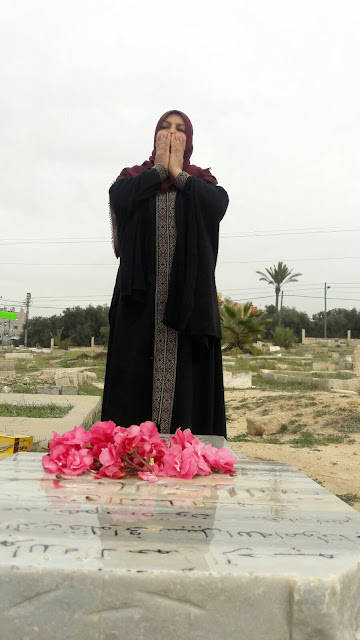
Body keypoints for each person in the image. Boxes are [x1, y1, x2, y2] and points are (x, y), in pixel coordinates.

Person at [101, 110, 229, 436]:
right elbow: (119, 198)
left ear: (190, 140)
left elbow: (217, 206)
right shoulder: (134, 178)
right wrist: (159, 171)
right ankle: (130, 456)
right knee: (132, 383)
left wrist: (178, 173)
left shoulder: (201, 182)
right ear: (154, 135)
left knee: (189, 391)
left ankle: (186, 459)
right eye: (165, 128)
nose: (172, 135)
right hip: (138, 307)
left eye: (180, 129)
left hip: (188, 307)